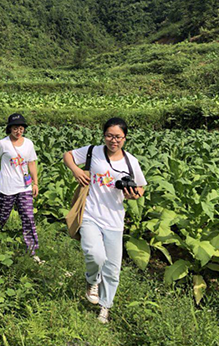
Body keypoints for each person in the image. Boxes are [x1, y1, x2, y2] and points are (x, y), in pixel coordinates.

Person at [63, 117, 147, 324]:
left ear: (125, 138)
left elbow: (141, 188)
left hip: (115, 219)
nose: (113, 140)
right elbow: (68, 156)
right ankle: (92, 280)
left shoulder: (130, 162)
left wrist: (133, 195)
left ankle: (105, 307)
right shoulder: (93, 151)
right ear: (104, 136)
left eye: (118, 137)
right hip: (91, 213)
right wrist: (76, 170)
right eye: (109, 135)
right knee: (94, 254)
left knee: (112, 268)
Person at [0, 113, 41, 262]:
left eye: (21, 128)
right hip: (6, 187)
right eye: (15, 128)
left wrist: (35, 183)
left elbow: (32, 163)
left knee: (28, 218)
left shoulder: (28, 144)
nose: (18, 131)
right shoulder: (2, 144)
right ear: (9, 129)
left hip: (24, 187)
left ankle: (32, 251)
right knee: (2, 217)